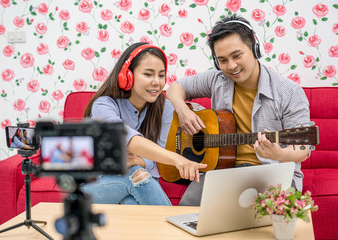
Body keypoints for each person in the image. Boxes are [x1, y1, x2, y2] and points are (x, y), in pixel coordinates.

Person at [166, 14, 310, 206]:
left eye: (237, 55)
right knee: (186, 209)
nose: (231, 66)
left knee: (259, 224)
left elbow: (303, 149)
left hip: (272, 171)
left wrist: (278, 154)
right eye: (223, 60)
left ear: (254, 48)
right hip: (222, 170)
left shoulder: (290, 92)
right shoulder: (217, 79)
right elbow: (175, 88)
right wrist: (183, 110)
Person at [81, 42, 207, 205]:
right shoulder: (103, 105)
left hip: (138, 183)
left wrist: (139, 161)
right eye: (148, 74)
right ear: (127, 76)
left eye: (161, 75)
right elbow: (126, 137)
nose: (157, 82)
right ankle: (172, 227)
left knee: (131, 200)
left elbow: (157, 159)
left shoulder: (165, 108)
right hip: (96, 186)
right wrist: (177, 159)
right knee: (135, 174)